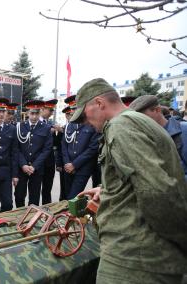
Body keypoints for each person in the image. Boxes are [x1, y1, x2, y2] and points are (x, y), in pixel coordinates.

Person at [73, 78, 187, 283]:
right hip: (143, 255)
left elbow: (158, 192)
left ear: (99, 103)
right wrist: (108, 189)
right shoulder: (135, 122)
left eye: (84, 116)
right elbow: (142, 178)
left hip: (134, 259)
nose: (85, 123)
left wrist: (182, 239)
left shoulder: (121, 127)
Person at [130, 95, 187, 179]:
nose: (139, 122)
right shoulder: (143, 137)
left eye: (142, 117)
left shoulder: (184, 131)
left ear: (157, 110)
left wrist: (168, 184)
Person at [14, 100, 53, 207]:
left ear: (40, 113)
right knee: (19, 196)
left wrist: (34, 166)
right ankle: (20, 218)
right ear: (27, 113)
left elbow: (46, 150)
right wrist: (23, 165)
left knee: (34, 198)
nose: (34, 116)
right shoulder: (19, 127)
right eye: (32, 113)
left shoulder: (46, 128)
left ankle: (31, 220)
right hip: (22, 168)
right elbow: (16, 148)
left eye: (37, 113)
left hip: (37, 169)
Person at [61, 95, 99, 199]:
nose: (73, 112)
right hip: (68, 167)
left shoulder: (92, 124)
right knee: (67, 196)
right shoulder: (69, 125)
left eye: (76, 108)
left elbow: (92, 148)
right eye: (72, 109)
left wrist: (74, 164)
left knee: (74, 197)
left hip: (83, 167)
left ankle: (73, 215)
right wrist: (67, 163)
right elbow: (64, 146)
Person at [55, 101, 76, 200]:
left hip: (77, 163)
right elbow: (59, 148)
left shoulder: (80, 127)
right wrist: (59, 164)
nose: (70, 115)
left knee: (76, 190)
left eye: (71, 112)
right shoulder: (63, 129)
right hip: (65, 163)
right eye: (68, 114)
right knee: (64, 188)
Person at [39, 99, 59, 204]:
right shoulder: (36, 122)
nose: (51, 113)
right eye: (50, 110)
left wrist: (59, 132)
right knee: (35, 190)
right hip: (38, 161)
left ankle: (46, 210)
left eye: (52, 111)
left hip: (49, 162)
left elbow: (55, 143)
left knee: (47, 189)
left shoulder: (51, 124)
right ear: (42, 109)